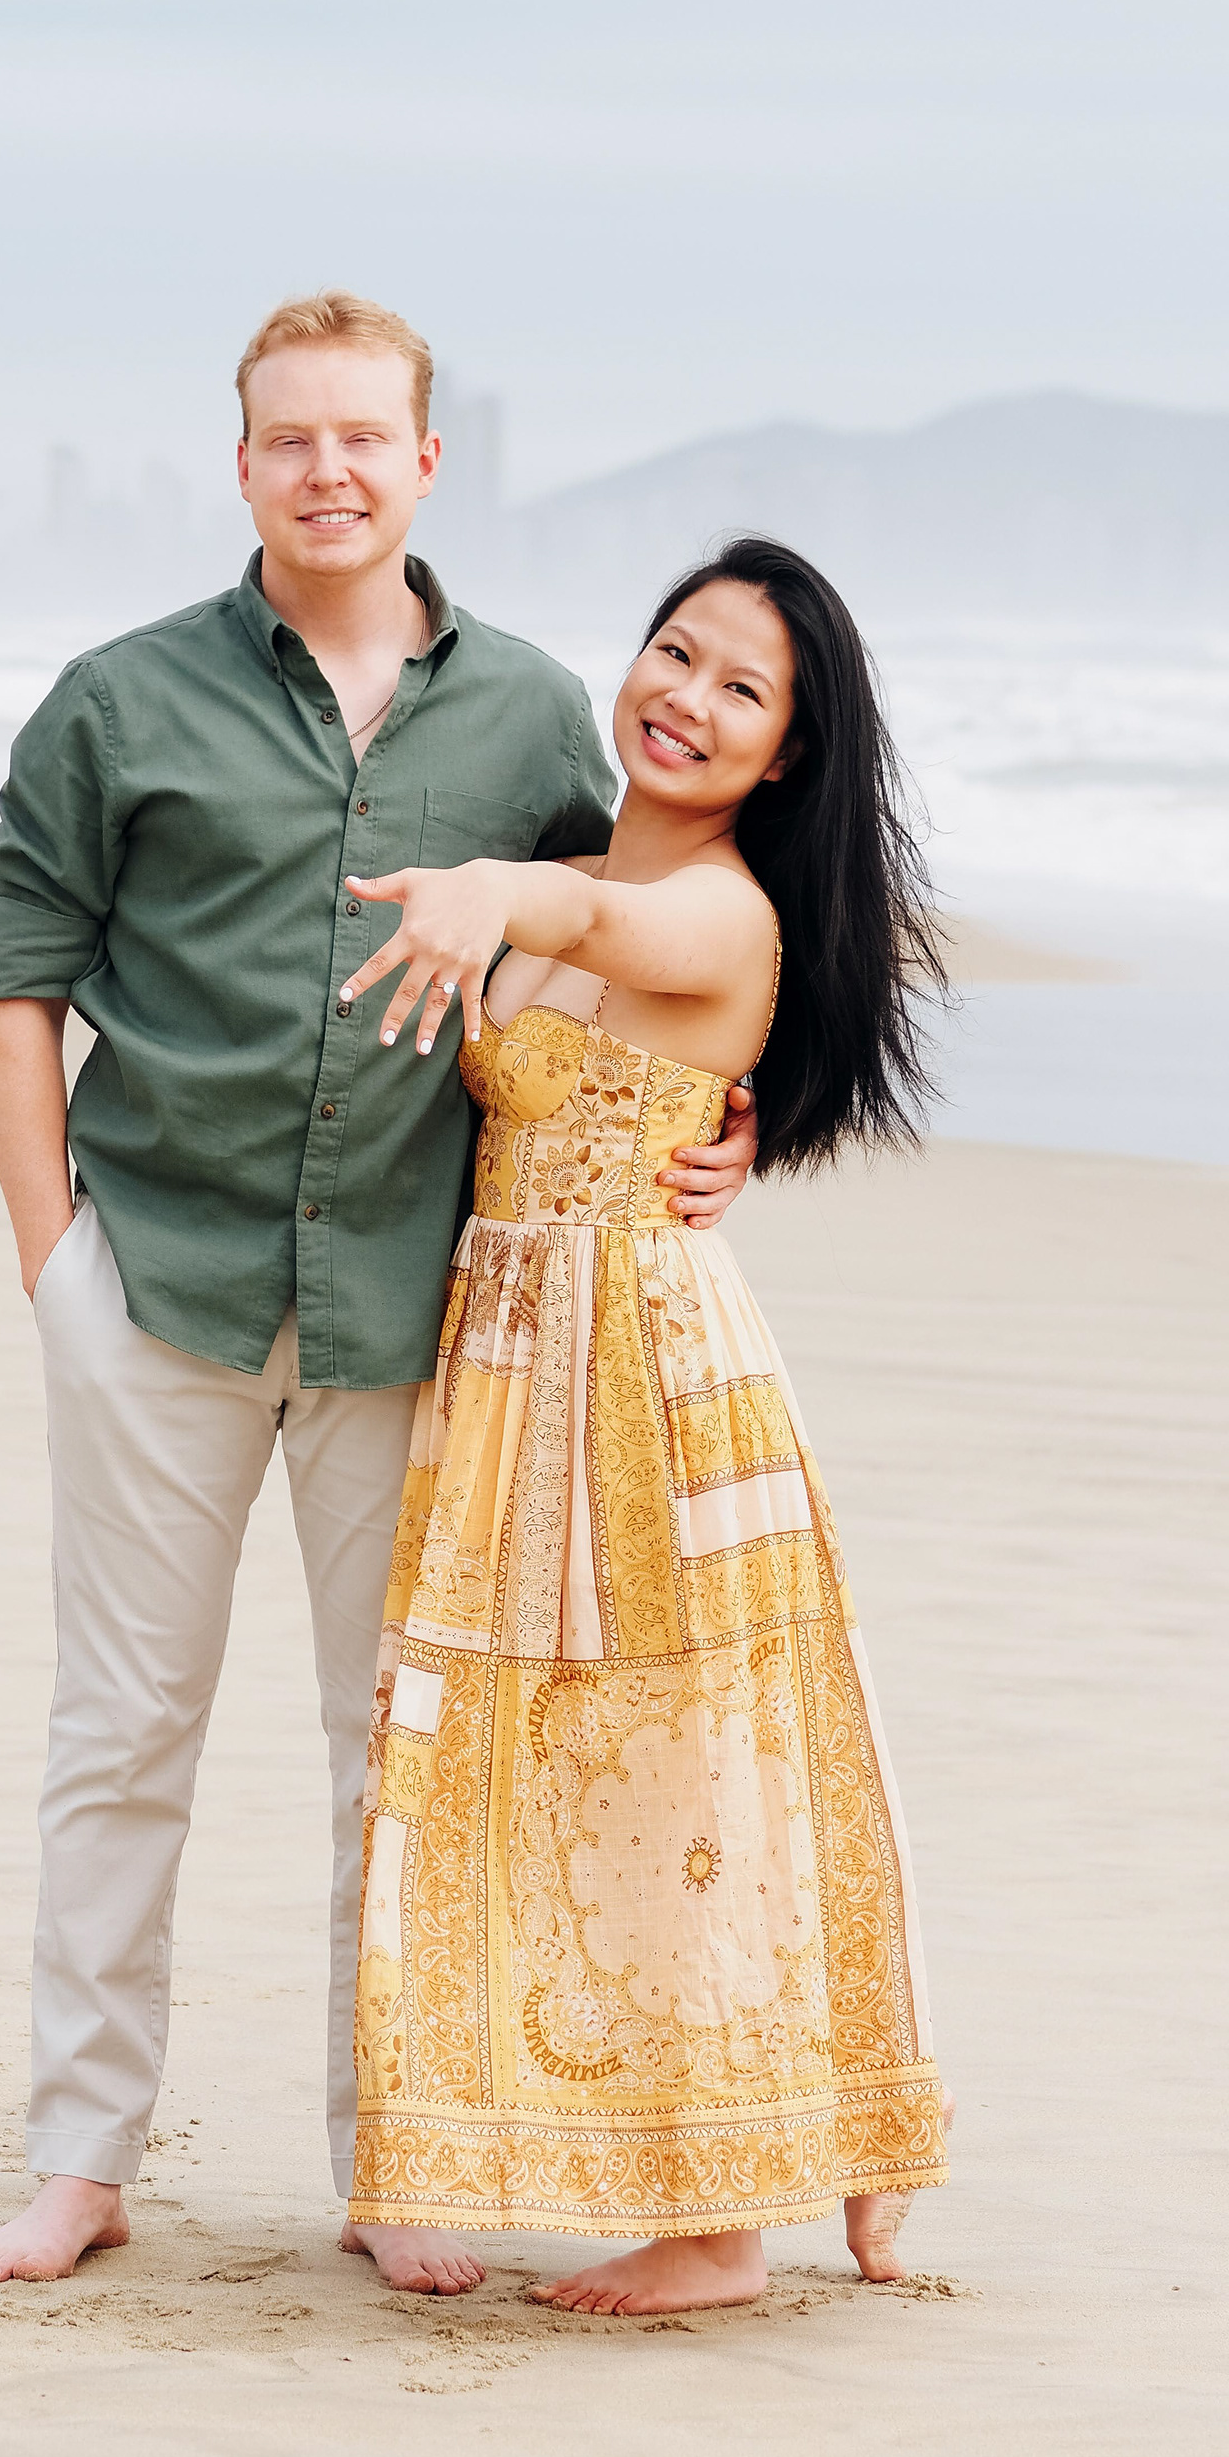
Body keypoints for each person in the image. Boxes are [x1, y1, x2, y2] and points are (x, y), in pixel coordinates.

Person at [0, 293, 757, 2289]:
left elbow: (636, 949)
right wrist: (53, 1259)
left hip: (417, 1322)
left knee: (388, 1755)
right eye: (289, 439)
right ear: (244, 467)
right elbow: (15, 985)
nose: (328, 469)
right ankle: (81, 2155)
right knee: (123, 1733)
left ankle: (389, 2165)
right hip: (155, 1289)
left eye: (363, 438)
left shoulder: (530, 721)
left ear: (424, 459)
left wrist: (742, 1122)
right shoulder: (117, 702)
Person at [337, 535, 952, 2314]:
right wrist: (509, 890)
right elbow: (583, 930)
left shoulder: (720, 909)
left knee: (680, 1776)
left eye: (741, 690)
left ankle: (716, 2228)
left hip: (643, 1381)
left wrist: (482, 892)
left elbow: (614, 931)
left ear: (789, 757)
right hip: (518, 1363)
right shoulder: (586, 862)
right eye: (676, 654)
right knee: (555, 1775)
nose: (686, 699)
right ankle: (636, 2166)